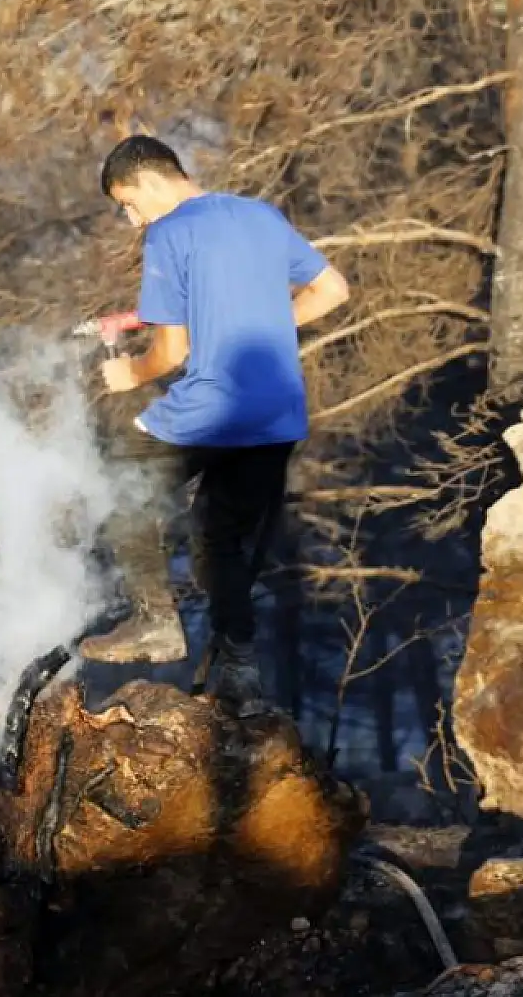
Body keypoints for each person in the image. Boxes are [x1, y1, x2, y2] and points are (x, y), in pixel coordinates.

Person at [77, 135, 351, 713]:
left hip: (211, 409)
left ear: (151, 181)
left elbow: (170, 353)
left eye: (128, 203)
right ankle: (238, 671)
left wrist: (131, 374)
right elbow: (333, 290)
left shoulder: (169, 232)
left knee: (117, 484)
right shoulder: (261, 217)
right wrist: (269, 327)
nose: (131, 218)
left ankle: (154, 620)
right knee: (219, 541)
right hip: (277, 414)